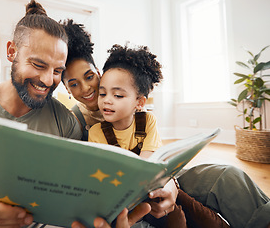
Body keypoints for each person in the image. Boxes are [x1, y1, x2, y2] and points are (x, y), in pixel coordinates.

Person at [0, 1, 148, 228]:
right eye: (38, 65)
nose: (48, 81)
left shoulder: (66, 122)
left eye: (57, 71)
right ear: (11, 51)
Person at [61, 20, 270, 228]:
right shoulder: (75, 122)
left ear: (98, 72)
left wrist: (170, 182)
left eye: (89, 76)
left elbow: (155, 157)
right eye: (74, 84)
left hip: (161, 175)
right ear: (67, 89)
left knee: (229, 176)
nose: (87, 88)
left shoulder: (142, 114)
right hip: (125, 194)